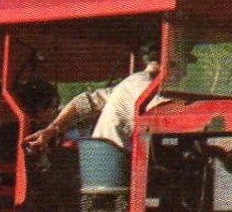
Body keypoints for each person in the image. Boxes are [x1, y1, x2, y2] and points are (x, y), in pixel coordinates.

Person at [23, 44, 193, 152]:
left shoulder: (130, 84)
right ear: (166, 64)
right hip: (122, 165)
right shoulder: (141, 85)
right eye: (183, 64)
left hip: (110, 161)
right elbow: (174, 114)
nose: (185, 73)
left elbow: (84, 102)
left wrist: (52, 129)